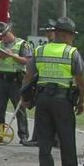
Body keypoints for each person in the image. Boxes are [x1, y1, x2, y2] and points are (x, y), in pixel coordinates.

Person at [23, 17, 84, 166]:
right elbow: (80, 80)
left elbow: (28, 76)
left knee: (44, 139)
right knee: (67, 139)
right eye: (72, 35)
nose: (73, 38)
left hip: (43, 100)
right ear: (65, 35)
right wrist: (81, 101)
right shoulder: (72, 52)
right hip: (63, 101)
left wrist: (26, 98)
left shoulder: (40, 50)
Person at [0, 22, 32, 144]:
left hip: (15, 80)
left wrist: (13, 56)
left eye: (5, 35)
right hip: (1, 79)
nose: (3, 38)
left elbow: (27, 61)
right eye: (1, 36)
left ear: (10, 32)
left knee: (19, 109)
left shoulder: (22, 44)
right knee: (0, 109)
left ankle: (23, 135)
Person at [22, 20, 57, 148]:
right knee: (43, 114)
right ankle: (38, 138)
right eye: (47, 31)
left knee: (52, 115)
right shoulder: (43, 48)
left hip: (56, 85)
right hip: (43, 83)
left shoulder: (59, 48)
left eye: (51, 31)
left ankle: (53, 139)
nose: (48, 34)